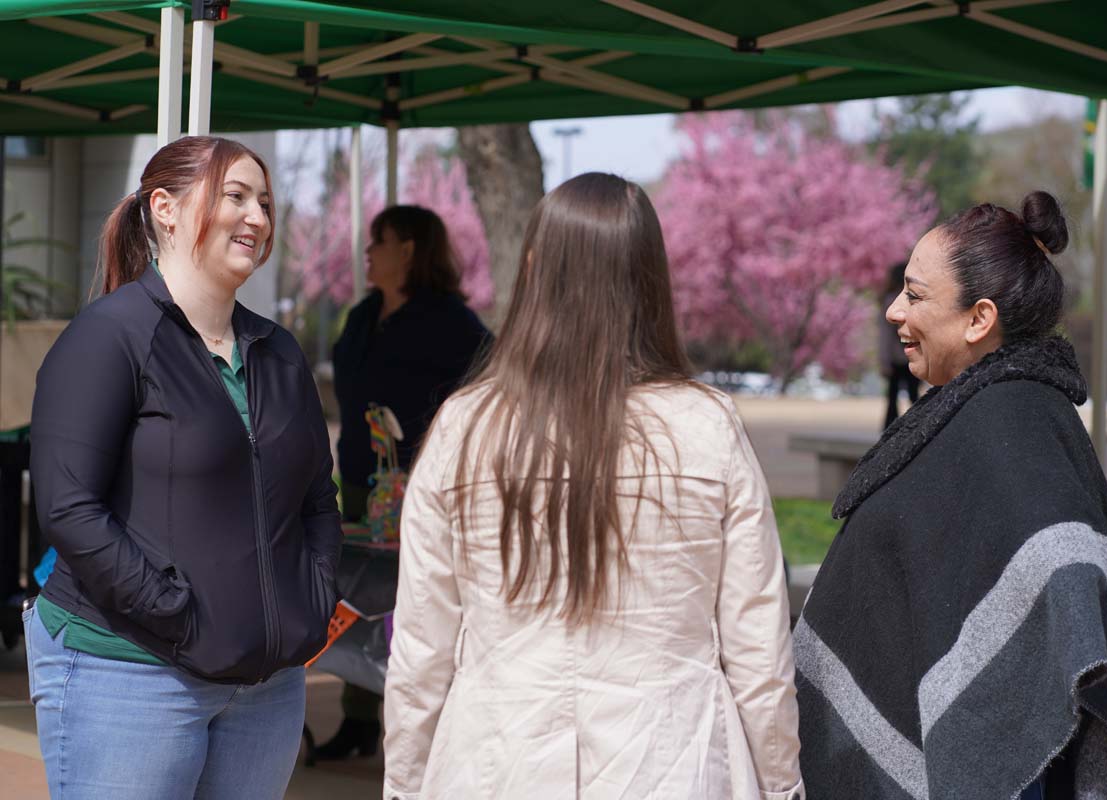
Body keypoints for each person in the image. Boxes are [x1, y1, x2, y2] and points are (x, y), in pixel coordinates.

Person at [382, 173, 802, 799]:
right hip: (671, 761)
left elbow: (421, 652)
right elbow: (758, 650)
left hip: (496, 760)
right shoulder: (707, 425)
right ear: (651, 278)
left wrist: (405, 786)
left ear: (534, 269)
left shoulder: (464, 428)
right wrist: (781, 785)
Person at [793, 192, 1107, 799]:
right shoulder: (987, 407)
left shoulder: (1010, 423)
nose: (893, 311)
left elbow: (1062, 572)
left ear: (979, 318)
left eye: (915, 296)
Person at [25, 136, 341, 800]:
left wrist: (308, 601)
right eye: (235, 196)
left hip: (266, 685)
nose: (257, 216)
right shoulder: (110, 337)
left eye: (265, 201)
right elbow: (67, 508)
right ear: (164, 208)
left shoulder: (278, 352)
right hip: (130, 670)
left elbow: (315, 497)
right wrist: (175, 612)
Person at [317, 205, 491, 760]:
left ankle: (427, 725)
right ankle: (361, 715)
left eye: (380, 241)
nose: (369, 252)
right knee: (355, 593)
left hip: (427, 491)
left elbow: (490, 394)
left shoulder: (451, 322)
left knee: (416, 603)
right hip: (364, 483)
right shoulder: (365, 314)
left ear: (410, 249)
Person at [880, 262, 920, 429]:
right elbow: (886, 335)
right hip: (902, 355)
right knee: (909, 395)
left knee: (894, 396)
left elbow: (884, 336)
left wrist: (884, 359)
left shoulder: (889, 300)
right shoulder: (894, 301)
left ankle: (892, 427)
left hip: (899, 357)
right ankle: (915, 424)